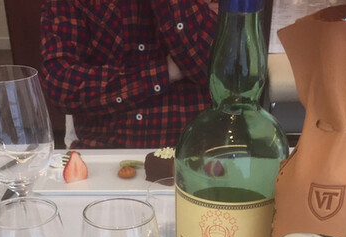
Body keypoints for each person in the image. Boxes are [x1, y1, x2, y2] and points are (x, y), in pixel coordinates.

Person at [40, 0, 218, 149]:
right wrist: (164, 72)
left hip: (197, 151)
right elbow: (61, 86)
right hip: (104, 155)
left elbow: (213, 67)